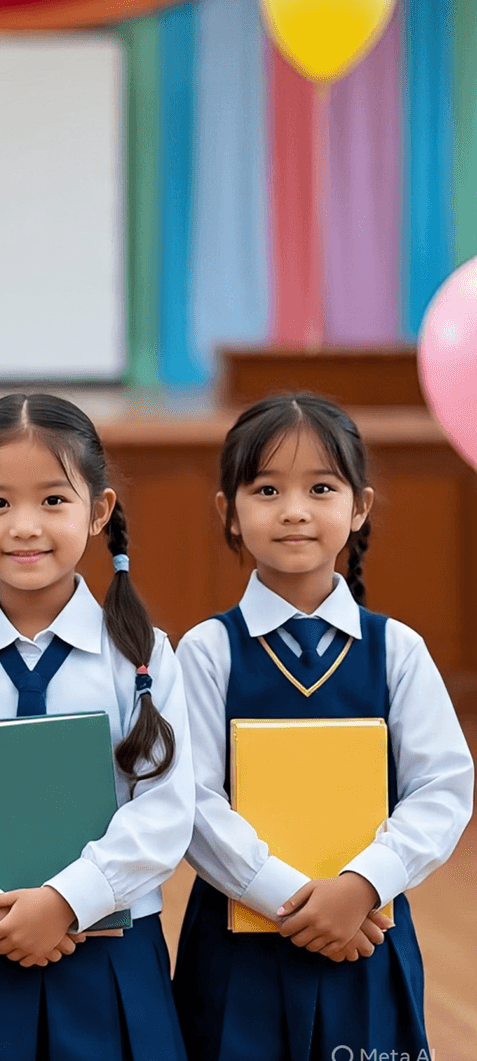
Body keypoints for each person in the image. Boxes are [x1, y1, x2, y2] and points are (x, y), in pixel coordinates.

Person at [0, 392, 193, 1061]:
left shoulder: (142, 655)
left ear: (99, 511)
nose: (25, 526)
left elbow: (165, 809)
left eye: (53, 500)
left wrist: (66, 900)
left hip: (110, 956)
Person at [172, 392, 474, 1061]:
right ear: (228, 512)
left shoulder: (396, 649)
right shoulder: (207, 650)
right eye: (267, 489)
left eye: (321, 488)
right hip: (237, 940)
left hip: (366, 929)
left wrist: (361, 885)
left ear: (359, 507)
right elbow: (190, 798)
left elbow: (443, 787)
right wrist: (289, 897)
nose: (294, 510)